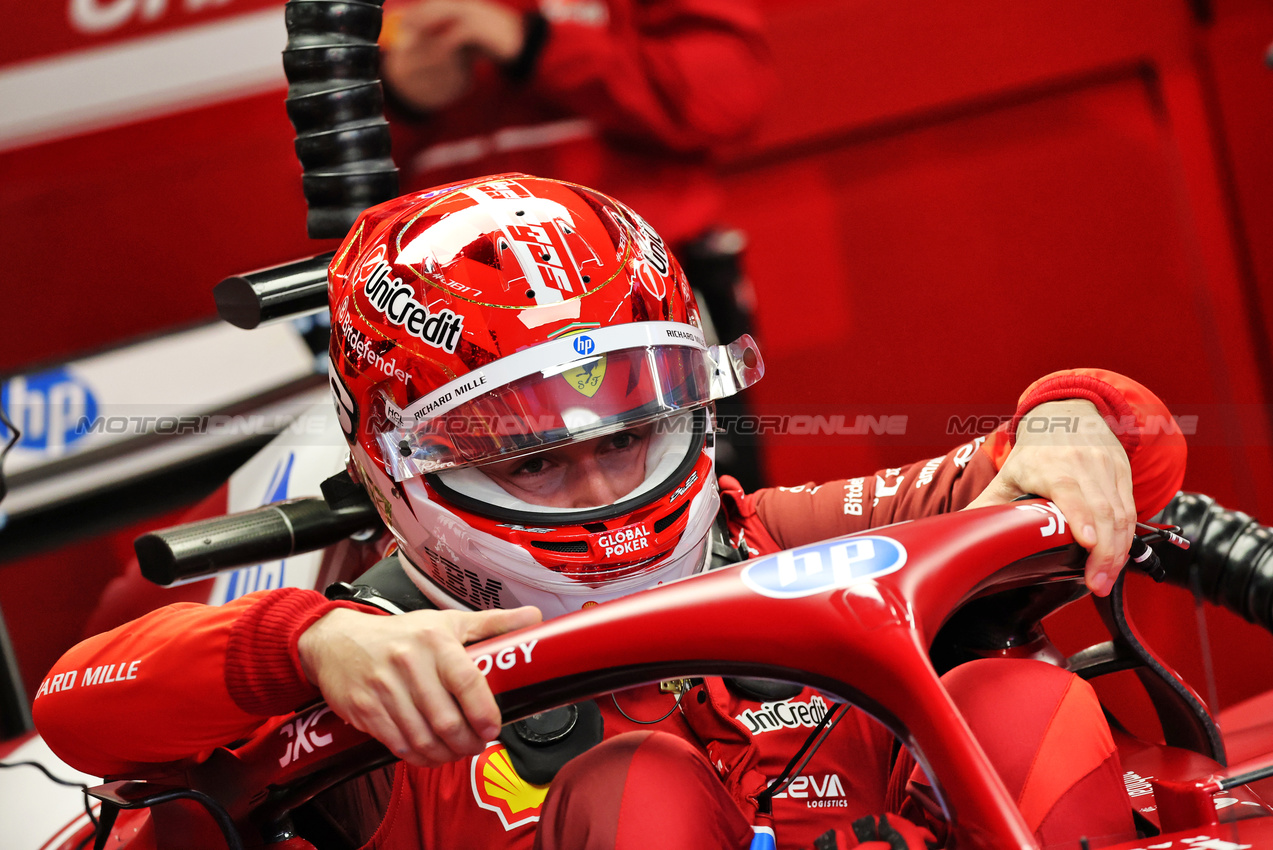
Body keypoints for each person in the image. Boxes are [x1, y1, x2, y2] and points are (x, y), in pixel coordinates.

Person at [34, 175, 1185, 850]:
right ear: (392, 471)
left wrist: (1069, 423)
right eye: (535, 461)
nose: (600, 492)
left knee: (1018, 698)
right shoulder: (378, 679)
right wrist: (310, 643)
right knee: (638, 795)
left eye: (628, 434)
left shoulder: (780, 536)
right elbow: (77, 705)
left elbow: (1129, 439)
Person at [378, 0, 775, 488]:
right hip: (451, 325)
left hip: (643, 294)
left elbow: (725, 98)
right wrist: (395, 101)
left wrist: (535, 44)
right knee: (485, 535)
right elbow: (326, 184)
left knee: (699, 509)